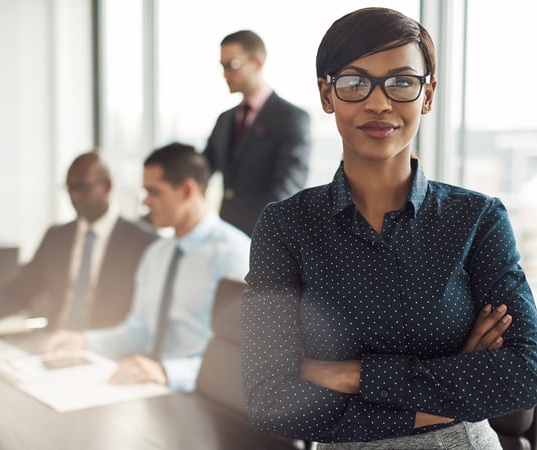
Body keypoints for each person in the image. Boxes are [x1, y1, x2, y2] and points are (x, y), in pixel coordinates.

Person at [241, 7, 537, 449]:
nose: (378, 103)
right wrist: (453, 383)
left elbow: (526, 371)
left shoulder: (477, 219)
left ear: (428, 94)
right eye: (355, 82)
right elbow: (269, 396)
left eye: (401, 82)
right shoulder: (287, 227)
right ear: (327, 94)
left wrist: (349, 373)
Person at [46, 143, 250, 392]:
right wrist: (84, 341)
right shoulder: (156, 253)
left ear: (187, 190)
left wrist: (167, 372)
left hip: (202, 395)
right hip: (145, 385)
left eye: (154, 192)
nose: (145, 202)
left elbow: (244, 358)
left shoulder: (238, 257)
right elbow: (139, 332)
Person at [0, 151, 156, 331]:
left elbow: (142, 320)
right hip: (52, 346)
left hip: (107, 353)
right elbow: (21, 290)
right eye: (69, 188)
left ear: (106, 186)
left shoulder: (142, 243)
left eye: (81, 187)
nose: (73, 196)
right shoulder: (56, 237)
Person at [203, 29, 311, 237]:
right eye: (222, 66)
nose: (225, 74)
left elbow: (287, 188)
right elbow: (202, 169)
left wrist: (267, 239)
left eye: (232, 65)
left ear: (258, 62)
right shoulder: (225, 120)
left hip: (266, 239)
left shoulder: (291, 118)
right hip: (226, 234)